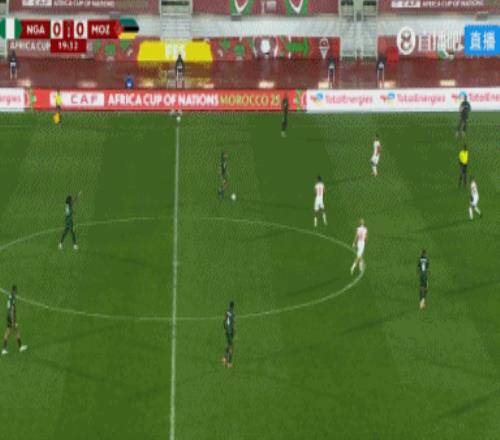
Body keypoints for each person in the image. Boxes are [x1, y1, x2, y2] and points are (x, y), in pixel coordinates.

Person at [2, 285, 28, 356]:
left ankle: (4, 349)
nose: (16, 292)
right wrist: (13, 321)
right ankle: (20, 347)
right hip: (11, 317)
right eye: (15, 291)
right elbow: (12, 310)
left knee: (8, 332)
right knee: (16, 331)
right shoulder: (12, 298)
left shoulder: (9, 297)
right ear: (14, 291)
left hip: (8, 316)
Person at [222, 301, 235, 368]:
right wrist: (235, 332)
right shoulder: (232, 313)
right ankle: (229, 363)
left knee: (228, 344)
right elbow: (233, 324)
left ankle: (224, 358)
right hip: (230, 332)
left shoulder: (227, 312)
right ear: (233, 306)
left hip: (227, 331)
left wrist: (225, 328)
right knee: (231, 347)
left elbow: (224, 320)